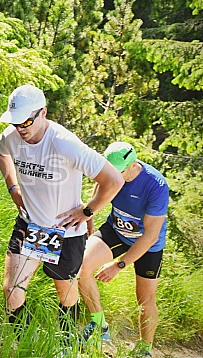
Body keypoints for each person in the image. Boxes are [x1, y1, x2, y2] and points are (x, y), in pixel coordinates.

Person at [0, 84, 124, 340]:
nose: (21, 128)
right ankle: (27, 345)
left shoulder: (65, 144)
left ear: (43, 112)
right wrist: (12, 187)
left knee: (66, 293)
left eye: (27, 121)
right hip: (30, 225)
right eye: (16, 122)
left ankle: (65, 338)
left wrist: (88, 211)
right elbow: (1, 153)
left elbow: (114, 180)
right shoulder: (11, 136)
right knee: (12, 291)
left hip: (66, 232)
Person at [78, 142, 169, 358]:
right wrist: (90, 213)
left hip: (147, 244)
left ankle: (144, 350)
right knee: (81, 267)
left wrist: (119, 265)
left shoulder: (155, 185)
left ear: (133, 165)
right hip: (116, 230)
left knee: (145, 300)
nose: (114, 177)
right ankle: (99, 324)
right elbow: (101, 186)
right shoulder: (110, 172)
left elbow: (150, 235)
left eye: (118, 173)